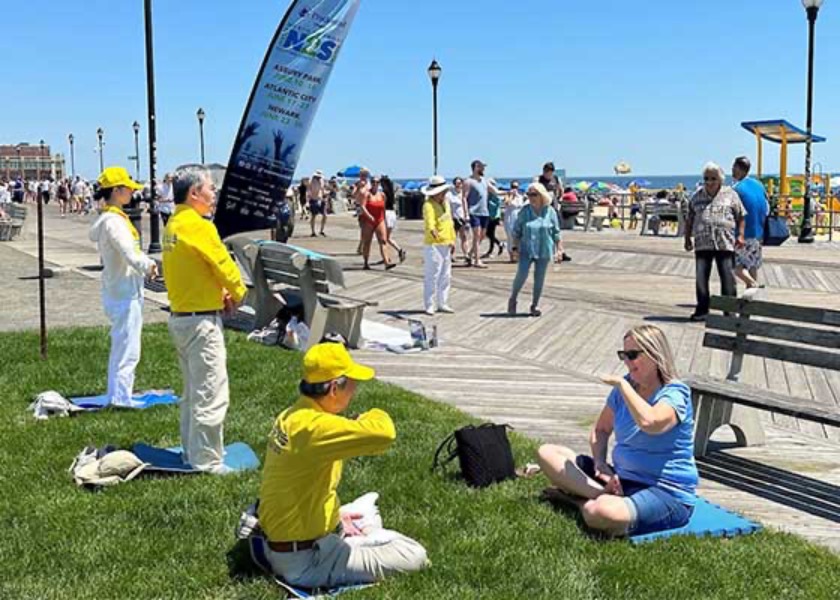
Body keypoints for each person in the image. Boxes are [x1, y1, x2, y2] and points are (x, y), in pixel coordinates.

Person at [258, 343, 428, 588]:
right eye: (352, 384)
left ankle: (352, 526)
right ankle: (370, 534)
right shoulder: (315, 428)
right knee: (413, 554)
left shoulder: (293, 415)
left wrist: (336, 519)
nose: (355, 390)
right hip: (306, 561)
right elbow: (385, 433)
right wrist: (369, 416)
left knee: (362, 511)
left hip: (290, 540)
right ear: (334, 388)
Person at [536, 325, 697, 537]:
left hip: (665, 492)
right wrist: (601, 466)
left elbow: (651, 423)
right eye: (623, 355)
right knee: (547, 453)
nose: (627, 362)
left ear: (655, 354)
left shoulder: (675, 393)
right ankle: (600, 493)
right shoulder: (627, 388)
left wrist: (623, 385)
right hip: (621, 479)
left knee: (599, 512)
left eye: (633, 355)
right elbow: (601, 430)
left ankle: (576, 501)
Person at [162, 166, 246, 474]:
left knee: (192, 392)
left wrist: (217, 291)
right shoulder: (199, 226)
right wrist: (237, 292)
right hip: (201, 323)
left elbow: (196, 269)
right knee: (211, 391)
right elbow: (221, 262)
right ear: (194, 193)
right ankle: (208, 460)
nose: (214, 195)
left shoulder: (174, 225)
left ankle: (190, 451)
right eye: (210, 188)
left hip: (182, 317)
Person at [88, 167, 158, 407]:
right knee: (128, 347)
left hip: (120, 288)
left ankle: (117, 393)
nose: (132, 192)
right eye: (127, 188)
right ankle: (121, 397)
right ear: (116, 191)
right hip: (124, 291)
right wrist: (149, 266)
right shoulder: (114, 223)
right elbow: (129, 253)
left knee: (123, 344)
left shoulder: (111, 219)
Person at [684, 162, 745, 321]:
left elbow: (742, 215)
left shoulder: (731, 194)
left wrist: (741, 236)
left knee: (728, 278)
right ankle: (702, 309)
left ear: (720, 179)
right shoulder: (697, 195)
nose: (709, 182)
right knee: (701, 278)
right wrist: (687, 238)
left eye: (713, 178)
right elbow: (689, 218)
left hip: (724, 242)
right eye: (706, 178)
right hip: (702, 242)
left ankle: (729, 311)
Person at [508, 183, 562, 317]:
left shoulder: (550, 211)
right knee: (522, 274)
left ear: (541, 195)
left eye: (534, 194)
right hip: (526, 248)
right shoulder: (525, 211)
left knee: (539, 277)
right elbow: (516, 232)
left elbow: (556, 232)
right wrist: (514, 247)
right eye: (529, 194)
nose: (531, 197)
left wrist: (559, 249)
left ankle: (535, 304)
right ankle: (513, 298)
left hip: (544, 248)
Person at [731, 156, 769, 294]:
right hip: (759, 232)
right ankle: (753, 300)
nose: (732, 171)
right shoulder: (759, 185)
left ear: (739, 169)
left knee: (735, 266)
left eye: (734, 168)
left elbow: (731, 211)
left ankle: (753, 285)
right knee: (752, 265)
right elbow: (767, 207)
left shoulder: (736, 188)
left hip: (742, 233)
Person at [421, 175, 456, 315]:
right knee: (432, 274)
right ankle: (429, 304)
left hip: (446, 242)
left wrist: (452, 239)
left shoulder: (446, 203)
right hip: (434, 244)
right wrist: (436, 235)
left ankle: (443, 302)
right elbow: (430, 224)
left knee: (446, 275)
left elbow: (449, 222)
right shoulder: (428, 205)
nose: (444, 194)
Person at [462, 159, 500, 268]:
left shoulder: (484, 180)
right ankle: (477, 260)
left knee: (482, 236)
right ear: (475, 167)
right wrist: (466, 214)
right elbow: (464, 198)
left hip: (485, 212)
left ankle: (470, 254)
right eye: (481, 167)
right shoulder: (468, 181)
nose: (483, 169)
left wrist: (508, 191)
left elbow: (495, 192)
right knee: (476, 235)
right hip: (474, 212)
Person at [358, 175, 394, 270]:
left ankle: (386, 262)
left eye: (377, 182)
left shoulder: (382, 195)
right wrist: (369, 216)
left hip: (380, 219)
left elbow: (384, 209)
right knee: (367, 242)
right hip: (368, 220)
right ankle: (366, 262)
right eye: (373, 182)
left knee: (383, 240)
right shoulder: (367, 194)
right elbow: (362, 206)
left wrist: (385, 220)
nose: (375, 184)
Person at [381, 176, 406, 263]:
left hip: (387, 214)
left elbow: (383, 206)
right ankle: (387, 256)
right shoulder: (392, 192)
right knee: (387, 237)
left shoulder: (384, 193)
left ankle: (398, 250)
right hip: (392, 214)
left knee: (385, 238)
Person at [482, 179, 506, 259]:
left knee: (490, 233)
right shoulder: (488, 194)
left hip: (494, 217)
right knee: (488, 234)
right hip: (488, 216)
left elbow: (497, 205)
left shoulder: (495, 195)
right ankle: (498, 245)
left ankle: (492, 250)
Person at [447, 177, 470, 260]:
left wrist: (467, 216)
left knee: (464, 237)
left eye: (460, 183)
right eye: (456, 183)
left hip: (463, 218)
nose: (458, 185)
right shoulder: (449, 194)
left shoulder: (464, 194)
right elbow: (448, 207)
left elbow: (467, 205)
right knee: (453, 237)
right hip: (453, 218)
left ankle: (466, 254)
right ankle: (451, 254)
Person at [503, 181, 525, 262]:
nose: (514, 189)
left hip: (518, 217)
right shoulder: (508, 195)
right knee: (510, 237)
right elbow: (507, 203)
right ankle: (511, 256)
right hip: (509, 217)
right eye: (513, 187)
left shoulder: (520, 196)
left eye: (516, 187)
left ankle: (518, 255)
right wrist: (511, 195)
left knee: (518, 237)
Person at [308, 170, 328, 237]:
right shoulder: (311, 181)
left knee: (325, 215)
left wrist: (325, 194)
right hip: (314, 199)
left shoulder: (322, 180)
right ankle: (313, 232)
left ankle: (321, 230)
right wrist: (308, 201)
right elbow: (308, 191)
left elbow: (322, 189)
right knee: (313, 216)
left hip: (321, 199)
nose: (318, 177)